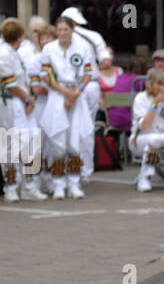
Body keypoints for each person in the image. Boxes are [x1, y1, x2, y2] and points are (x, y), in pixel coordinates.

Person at [40, 15, 97, 199]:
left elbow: (88, 73)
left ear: (72, 29)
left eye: (66, 29)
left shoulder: (82, 48)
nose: (63, 33)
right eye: (60, 30)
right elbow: (47, 76)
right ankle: (58, 184)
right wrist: (65, 92)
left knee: (75, 142)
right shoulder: (49, 49)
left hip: (76, 95)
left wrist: (76, 92)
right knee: (57, 143)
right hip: (57, 96)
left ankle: (74, 183)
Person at [0, 19, 48, 202]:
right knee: (9, 145)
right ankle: (11, 187)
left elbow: (21, 78)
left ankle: (30, 185)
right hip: (10, 103)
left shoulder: (14, 53)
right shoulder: (4, 54)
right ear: (19, 36)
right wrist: (28, 98)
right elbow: (9, 83)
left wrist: (29, 98)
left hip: (21, 102)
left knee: (31, 142)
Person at [130, 67, 164, 192]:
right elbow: (145, 126)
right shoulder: (141, 98)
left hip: (163, 137)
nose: (162, 87)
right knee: (155, 139)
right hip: (139, 138)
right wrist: (155, 103)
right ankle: (145, 177)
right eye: (159, 84)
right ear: (150, 84)